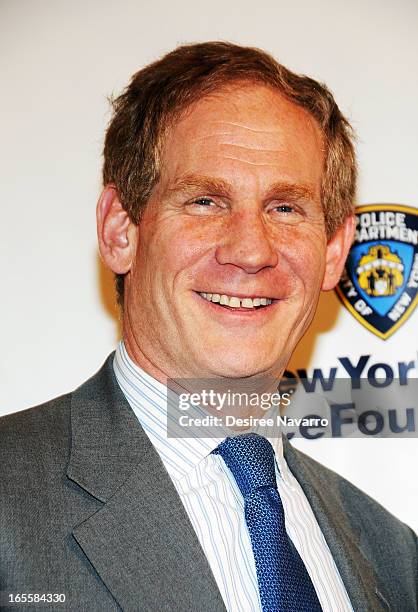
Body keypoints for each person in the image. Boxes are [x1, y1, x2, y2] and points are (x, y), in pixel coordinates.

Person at [0, 42, 416, 612]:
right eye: (205, 201)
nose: (250, 251)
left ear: (335, 250)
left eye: (286, 208)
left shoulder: (395, 553)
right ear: (121, 229)